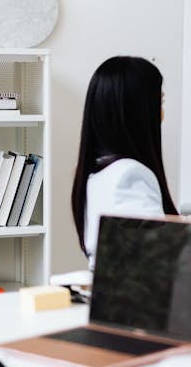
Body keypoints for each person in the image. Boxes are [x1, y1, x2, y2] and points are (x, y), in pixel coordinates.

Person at [71, 56, 178, 269]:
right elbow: (156, 257)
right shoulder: (129, 174)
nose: (162, 113)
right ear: (139, 111)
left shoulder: (96, 171)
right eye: (160, 102)